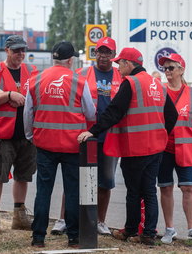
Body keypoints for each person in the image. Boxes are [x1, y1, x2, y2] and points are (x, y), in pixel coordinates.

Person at [77, 47, 178, 246]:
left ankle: (131, 230)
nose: (117, 67)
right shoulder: (157, 84)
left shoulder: (131, 83)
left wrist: (93, 131)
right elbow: (172, 115)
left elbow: (114, 111)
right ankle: (148, 233)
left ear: (129, 63)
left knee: (133, 191)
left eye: (119, 63)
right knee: (149, 190)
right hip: (156, 146)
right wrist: (160, 131)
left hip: (136, 146)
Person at [24, 41, 96, 248]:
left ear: (52, 58)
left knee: (43, 191)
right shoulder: (79, 82)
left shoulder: (35, 80)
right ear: (71, 60)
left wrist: (31, 136)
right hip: (73, 145)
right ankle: (73, 237)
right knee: (73, 191)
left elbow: (28, 113)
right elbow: (91, 113)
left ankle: (38, 237)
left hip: (45, 144)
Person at [157, 53, 192, 244]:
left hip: (185, 146)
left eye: (171, 67)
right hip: (164, 146)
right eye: (164, 68)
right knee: (165, 187)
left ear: (181, 70)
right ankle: (169, 229)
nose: (167, 72)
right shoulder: (160, 90)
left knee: (188, 187)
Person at [0, 35, 37, 233]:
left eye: (23, 50)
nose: (20, 54)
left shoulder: (31, 71)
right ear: (7, 50)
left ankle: (19, 215)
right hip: (3, 134)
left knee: (23, 176)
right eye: (16, 50)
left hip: (26, 134)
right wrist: (9, 95)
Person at [74, 36, 122, 235]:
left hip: (110, 136)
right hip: (87, 135)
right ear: (95, 53)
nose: (103, 56)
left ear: (113, 55)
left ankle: (100, 221)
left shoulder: (121, 76)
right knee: (78, 180)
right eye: (100, 51)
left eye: (107, 52)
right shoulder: (81, 73)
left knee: (105, 181)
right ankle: (67, 219)